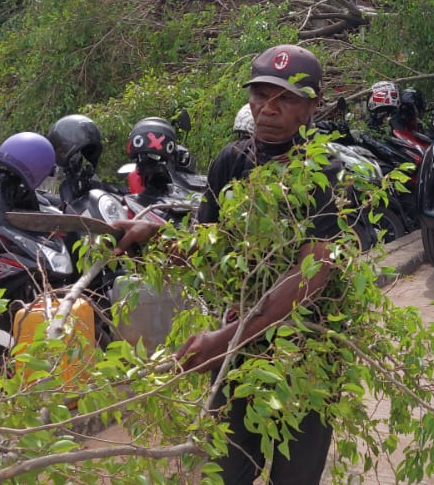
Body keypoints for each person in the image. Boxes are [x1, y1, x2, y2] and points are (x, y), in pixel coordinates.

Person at [112, 43, 341, 484]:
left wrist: (226, 338)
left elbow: (310, 274)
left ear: (311, 107)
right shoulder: (231, 161)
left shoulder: (325, 170)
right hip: (239, 348)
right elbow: (209, 247)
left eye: (285, 99)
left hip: (306, 354)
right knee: (226, 471)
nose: (268, 109)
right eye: (260, 95)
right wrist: (153, 237)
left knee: (294, 477)